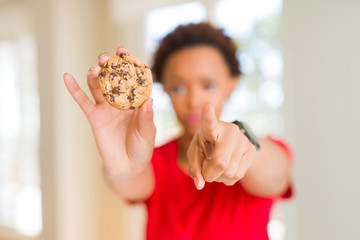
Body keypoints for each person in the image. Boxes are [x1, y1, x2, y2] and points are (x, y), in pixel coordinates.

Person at [63, 22, 293, 240]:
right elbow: (130, 182)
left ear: (231, 85)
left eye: (208, 85)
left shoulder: (265, 150)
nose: (193, 100)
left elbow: (276, 177)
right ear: (165, 91)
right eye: (178, 87)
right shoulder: (155, 161)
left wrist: (244, 142)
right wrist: (123, 167)